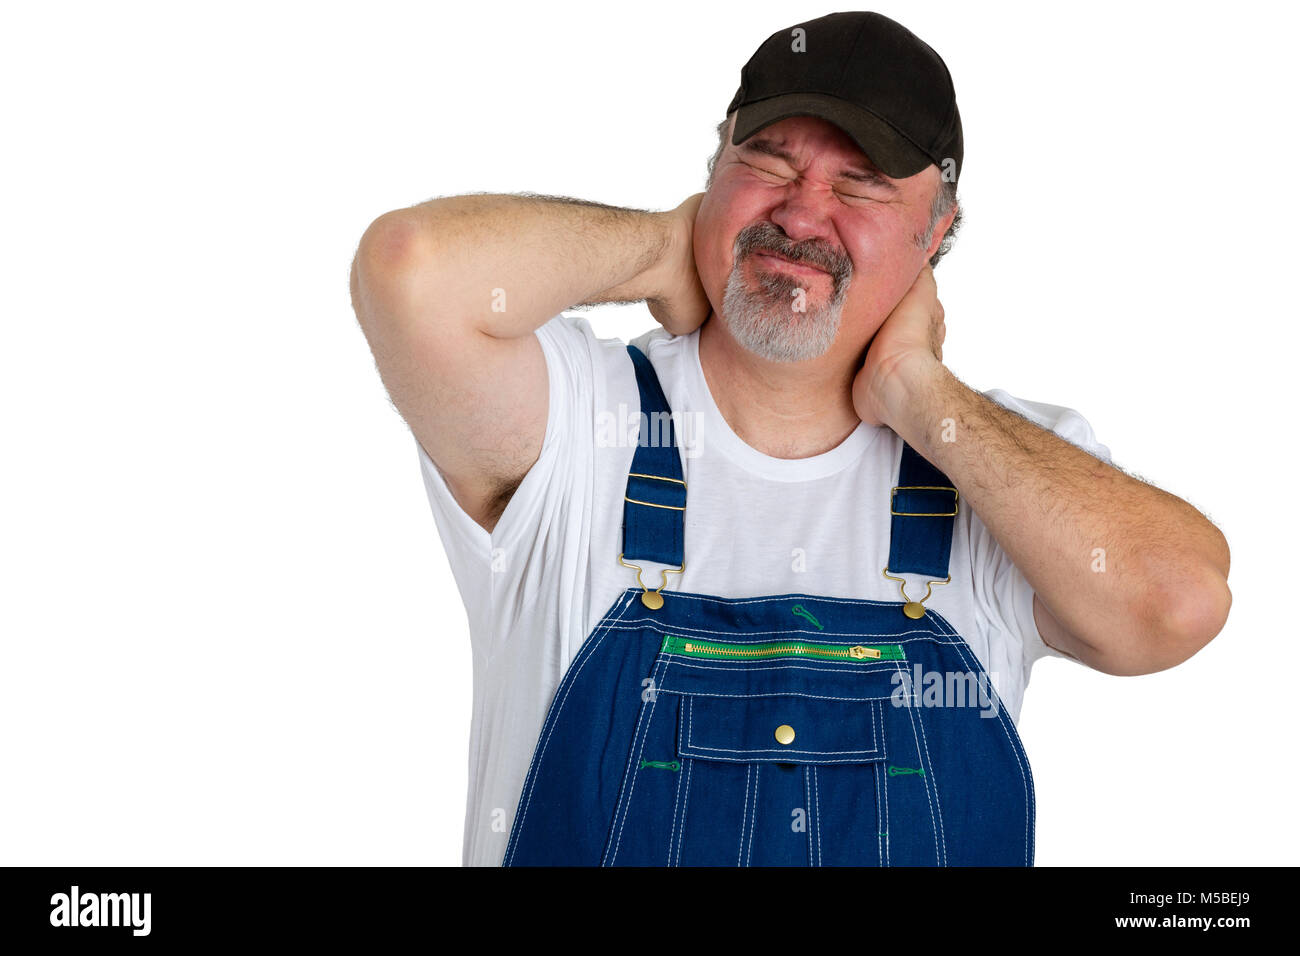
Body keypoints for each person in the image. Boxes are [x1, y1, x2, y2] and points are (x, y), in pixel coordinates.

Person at [348, 11, 1231, 866]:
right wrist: (659, 249)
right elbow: (409, 273)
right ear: (715, 162)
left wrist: (917, 391)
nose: (802, 216)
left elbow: (1178, 602)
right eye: (767, 162)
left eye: (861, 184)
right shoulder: (575, 421)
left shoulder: (990, 463)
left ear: (940, 232)